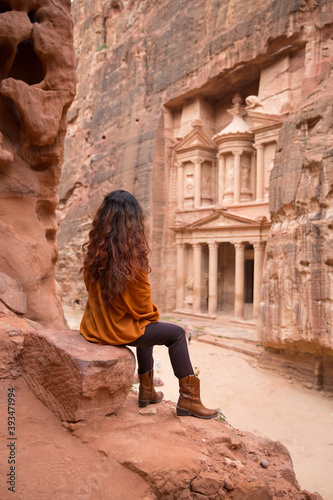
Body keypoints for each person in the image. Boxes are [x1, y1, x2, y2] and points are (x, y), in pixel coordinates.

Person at [80, 190, 217, 419]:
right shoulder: (132, 260)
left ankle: (147, 391)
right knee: (175, 334)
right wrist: (151, 314)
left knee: (144, 325)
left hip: (94, 326)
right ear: (133, 222)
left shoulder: (95, 252)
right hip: (115, 330)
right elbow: (143, 306)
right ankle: (189, 399)